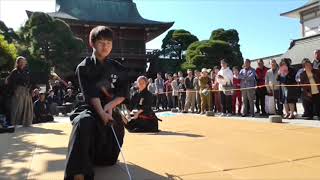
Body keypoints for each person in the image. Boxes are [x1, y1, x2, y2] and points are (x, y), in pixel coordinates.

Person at [64, 26, 129, 180]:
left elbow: (123, 93)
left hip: (111, 106)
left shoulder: (118, 68)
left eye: (109, 42)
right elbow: (91, 94)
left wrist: (109, 106)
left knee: (116, 128)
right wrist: (101, 112)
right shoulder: (84, 67)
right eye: (101, 42)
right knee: (84, 122)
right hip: (90, 105)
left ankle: (99, 157)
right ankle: (78, 172)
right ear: (92, 43)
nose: (105, 46)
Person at [6, 56, 34, 126]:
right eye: (21, 62)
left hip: (26, 91)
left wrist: (32, 90)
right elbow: (10, 82)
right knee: (17, 109)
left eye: (23, 62)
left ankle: (26, 123)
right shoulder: (15, 72)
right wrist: (15, 91)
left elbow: (30, 82)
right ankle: (14, 124)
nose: (22, 63)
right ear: (17, 63)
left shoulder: (26, 71)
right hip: (18, 92)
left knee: (27, 108)